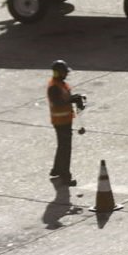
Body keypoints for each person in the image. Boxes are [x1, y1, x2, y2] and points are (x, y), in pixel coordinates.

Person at [47, 59, 84, 187]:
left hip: (65, 120)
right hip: (60, 122)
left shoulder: (62, 84)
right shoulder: (54, 87)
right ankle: (65, 177)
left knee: (62, 146)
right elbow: (58, 102)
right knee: (65, 149)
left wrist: (75, 99)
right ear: (58, 73)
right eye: (64, 72)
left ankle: (56, 170)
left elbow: (66, 99)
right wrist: (72, 100)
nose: (66, 74)